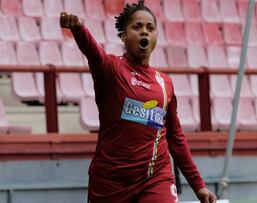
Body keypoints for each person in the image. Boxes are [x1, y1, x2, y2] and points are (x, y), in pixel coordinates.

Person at [60, 0, 217, 202]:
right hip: (110, 182)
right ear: (124, 36)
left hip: (155, 178)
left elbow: (176, 139)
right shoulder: (112, 69)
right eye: (137, 27)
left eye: (150, 28)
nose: (144, 32)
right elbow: (93, 52)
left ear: (155, 37)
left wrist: (199, 186)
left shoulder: (164, 84)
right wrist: (79, 29)